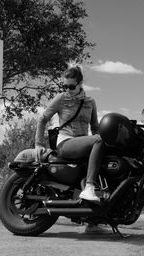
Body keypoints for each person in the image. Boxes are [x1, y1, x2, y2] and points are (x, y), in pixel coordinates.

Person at [35, 64, 104, 202]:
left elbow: (95, 127)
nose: (68, 90)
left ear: (80, 84)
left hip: (82, 144)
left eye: (71, 87)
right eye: (64, 87)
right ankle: (89, 188)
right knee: (98, 140)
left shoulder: (90, 102)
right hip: (65, 143)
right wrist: (38, 143)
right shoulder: (61, 98)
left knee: (103, 143)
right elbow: (42, 119)